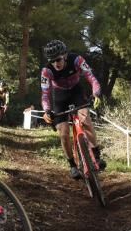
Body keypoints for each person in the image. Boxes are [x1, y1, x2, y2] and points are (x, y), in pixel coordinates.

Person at [39, 39, 105, 179]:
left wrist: (96, 93)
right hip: (60, 97)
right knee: (63, 133)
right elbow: (45, 94)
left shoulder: (76, 60)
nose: (56, 63)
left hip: (76, 91)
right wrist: (47, 110)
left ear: (65, 55)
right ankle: (73, 166)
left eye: (58, 59)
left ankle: (97, 156)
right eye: (52, 61)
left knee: (86, 120)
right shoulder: (46, 71)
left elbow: (91, 77)